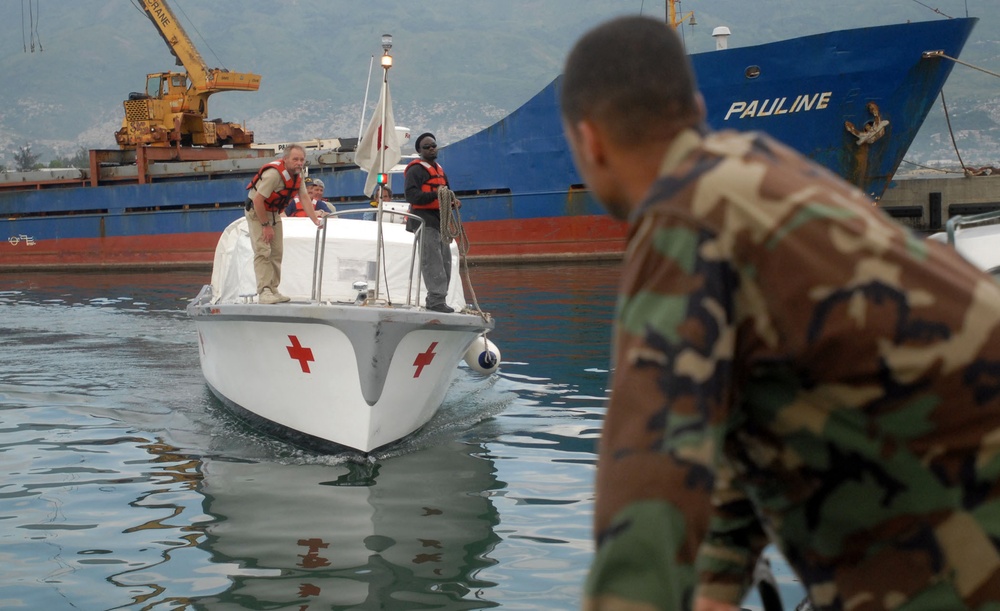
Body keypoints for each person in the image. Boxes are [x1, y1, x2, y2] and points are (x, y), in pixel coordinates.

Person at [561, 15, 1000, 611]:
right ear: (692, 104)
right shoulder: (763, 169)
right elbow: (761, 403)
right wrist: (717, 587)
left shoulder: (681, 218)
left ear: (589, 140)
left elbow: (651, 480)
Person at [245, 144, 321, 304]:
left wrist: (314, 219)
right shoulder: (273, 175)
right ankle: (264, 291)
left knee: (277, 251)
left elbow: (304, 197)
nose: (299, 163)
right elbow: (258, 200)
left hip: (273, 212)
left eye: (302, 159)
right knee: (263, 251)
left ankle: (273, 289)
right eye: (295, 159)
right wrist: (265, 226)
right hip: (257, 212)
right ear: (285, 159)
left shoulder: (297, 175)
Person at [405, 132, 459, 313]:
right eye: (426, 147)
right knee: (432, 261)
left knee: (445, 261)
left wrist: (452, 201)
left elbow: (447, 193)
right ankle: (435, 301)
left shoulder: (440, 170)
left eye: (433, 145)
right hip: (424, 221)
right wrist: (436, 195)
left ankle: (439, 299)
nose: (431, 148)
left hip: (440, 221)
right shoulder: (415, 170)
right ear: (419, 151)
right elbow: (411, 196)